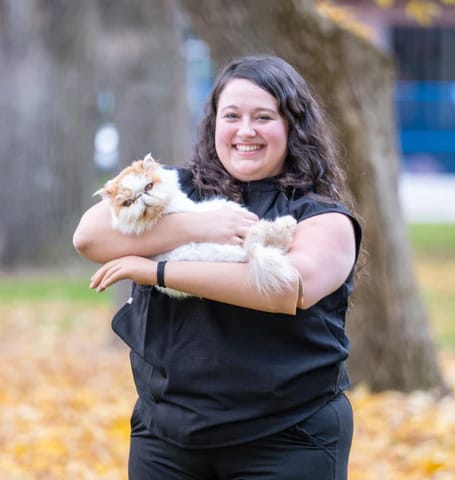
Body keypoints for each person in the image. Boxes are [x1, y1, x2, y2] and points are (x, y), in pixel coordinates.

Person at [73, 55, 362, 480]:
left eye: (263, 117)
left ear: (291, 128)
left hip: (287, 437)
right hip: (167, 438)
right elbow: (90, 236)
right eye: (232, 116)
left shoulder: (322, 217)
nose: (246, 131)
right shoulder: (173, 190)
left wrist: (155, 271)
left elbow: (286, 289)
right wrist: (200, 224)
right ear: (213, 125)